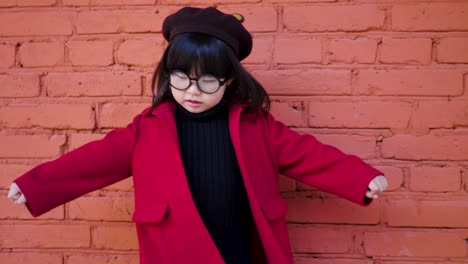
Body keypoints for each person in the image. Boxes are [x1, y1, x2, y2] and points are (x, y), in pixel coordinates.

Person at [7, 6, 388, 264]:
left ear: (229, 80)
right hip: (175, 247)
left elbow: (309, 155)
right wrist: (35, 185)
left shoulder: (255, 124)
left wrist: (360, 179)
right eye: (181, 78)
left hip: (238, 242)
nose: (192, 91)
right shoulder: (148, 127)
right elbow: (91, 162)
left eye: (207, 81)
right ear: (166, 74)